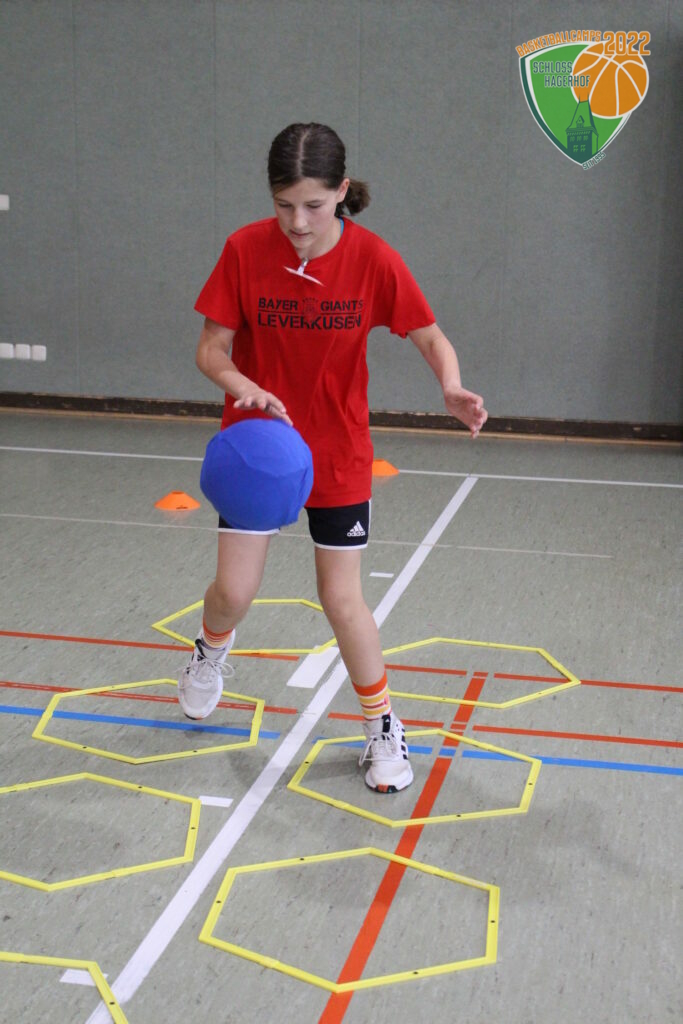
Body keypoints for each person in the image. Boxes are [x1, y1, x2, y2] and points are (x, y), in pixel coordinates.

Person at [178, 122, 487, 794]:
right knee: (233, 592)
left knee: (342, 598)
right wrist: (244, 387)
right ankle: (209, 651)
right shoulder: (243, 249)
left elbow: (430, 336)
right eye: (283, 204)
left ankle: (382, 727)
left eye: (314, 205)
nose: (297, 222)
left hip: (338, 451)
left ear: (342, 191)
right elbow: (210, 349)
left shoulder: (372, 259)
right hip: (260, 448)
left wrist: (451, 384)